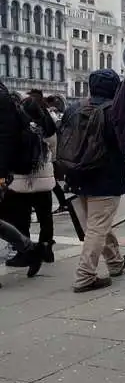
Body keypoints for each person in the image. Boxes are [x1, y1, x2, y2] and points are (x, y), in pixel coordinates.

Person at [62, 69, 125, 292]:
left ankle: (115, 262)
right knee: (97, 227)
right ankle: (85, 276)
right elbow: (123, 146)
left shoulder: (74, 108)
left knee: (98, 224)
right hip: (106, 178)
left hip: (77, 174)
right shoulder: (114, 111)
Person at [3, 97, 58, 265]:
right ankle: (46, 246)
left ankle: (25, 252)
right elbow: (54, 152)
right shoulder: (48, 126)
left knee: (22, 218)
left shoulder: (19, 125)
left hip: (22, 179)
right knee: (46, 217)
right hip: (44, 179)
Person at [0, 81, 45, 279]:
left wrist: (1, 172)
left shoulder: (2, 99)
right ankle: (32, 250)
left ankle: (31, 250)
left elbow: (6, 138)